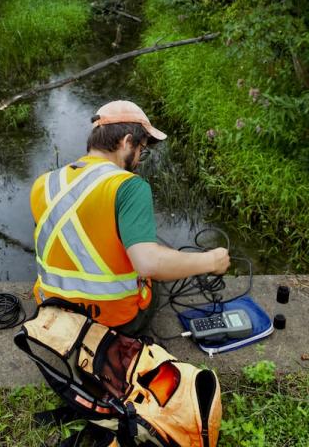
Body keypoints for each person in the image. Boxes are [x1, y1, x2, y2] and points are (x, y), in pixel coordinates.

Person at [30, 100, 231, 334]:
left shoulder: (44, 183)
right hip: (110, 321)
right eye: (141, 150)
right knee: (154, 279)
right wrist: (211, 261)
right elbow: (148, 264)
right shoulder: (129, 186)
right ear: (126, 142)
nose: (138, 160)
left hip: (51, 313)